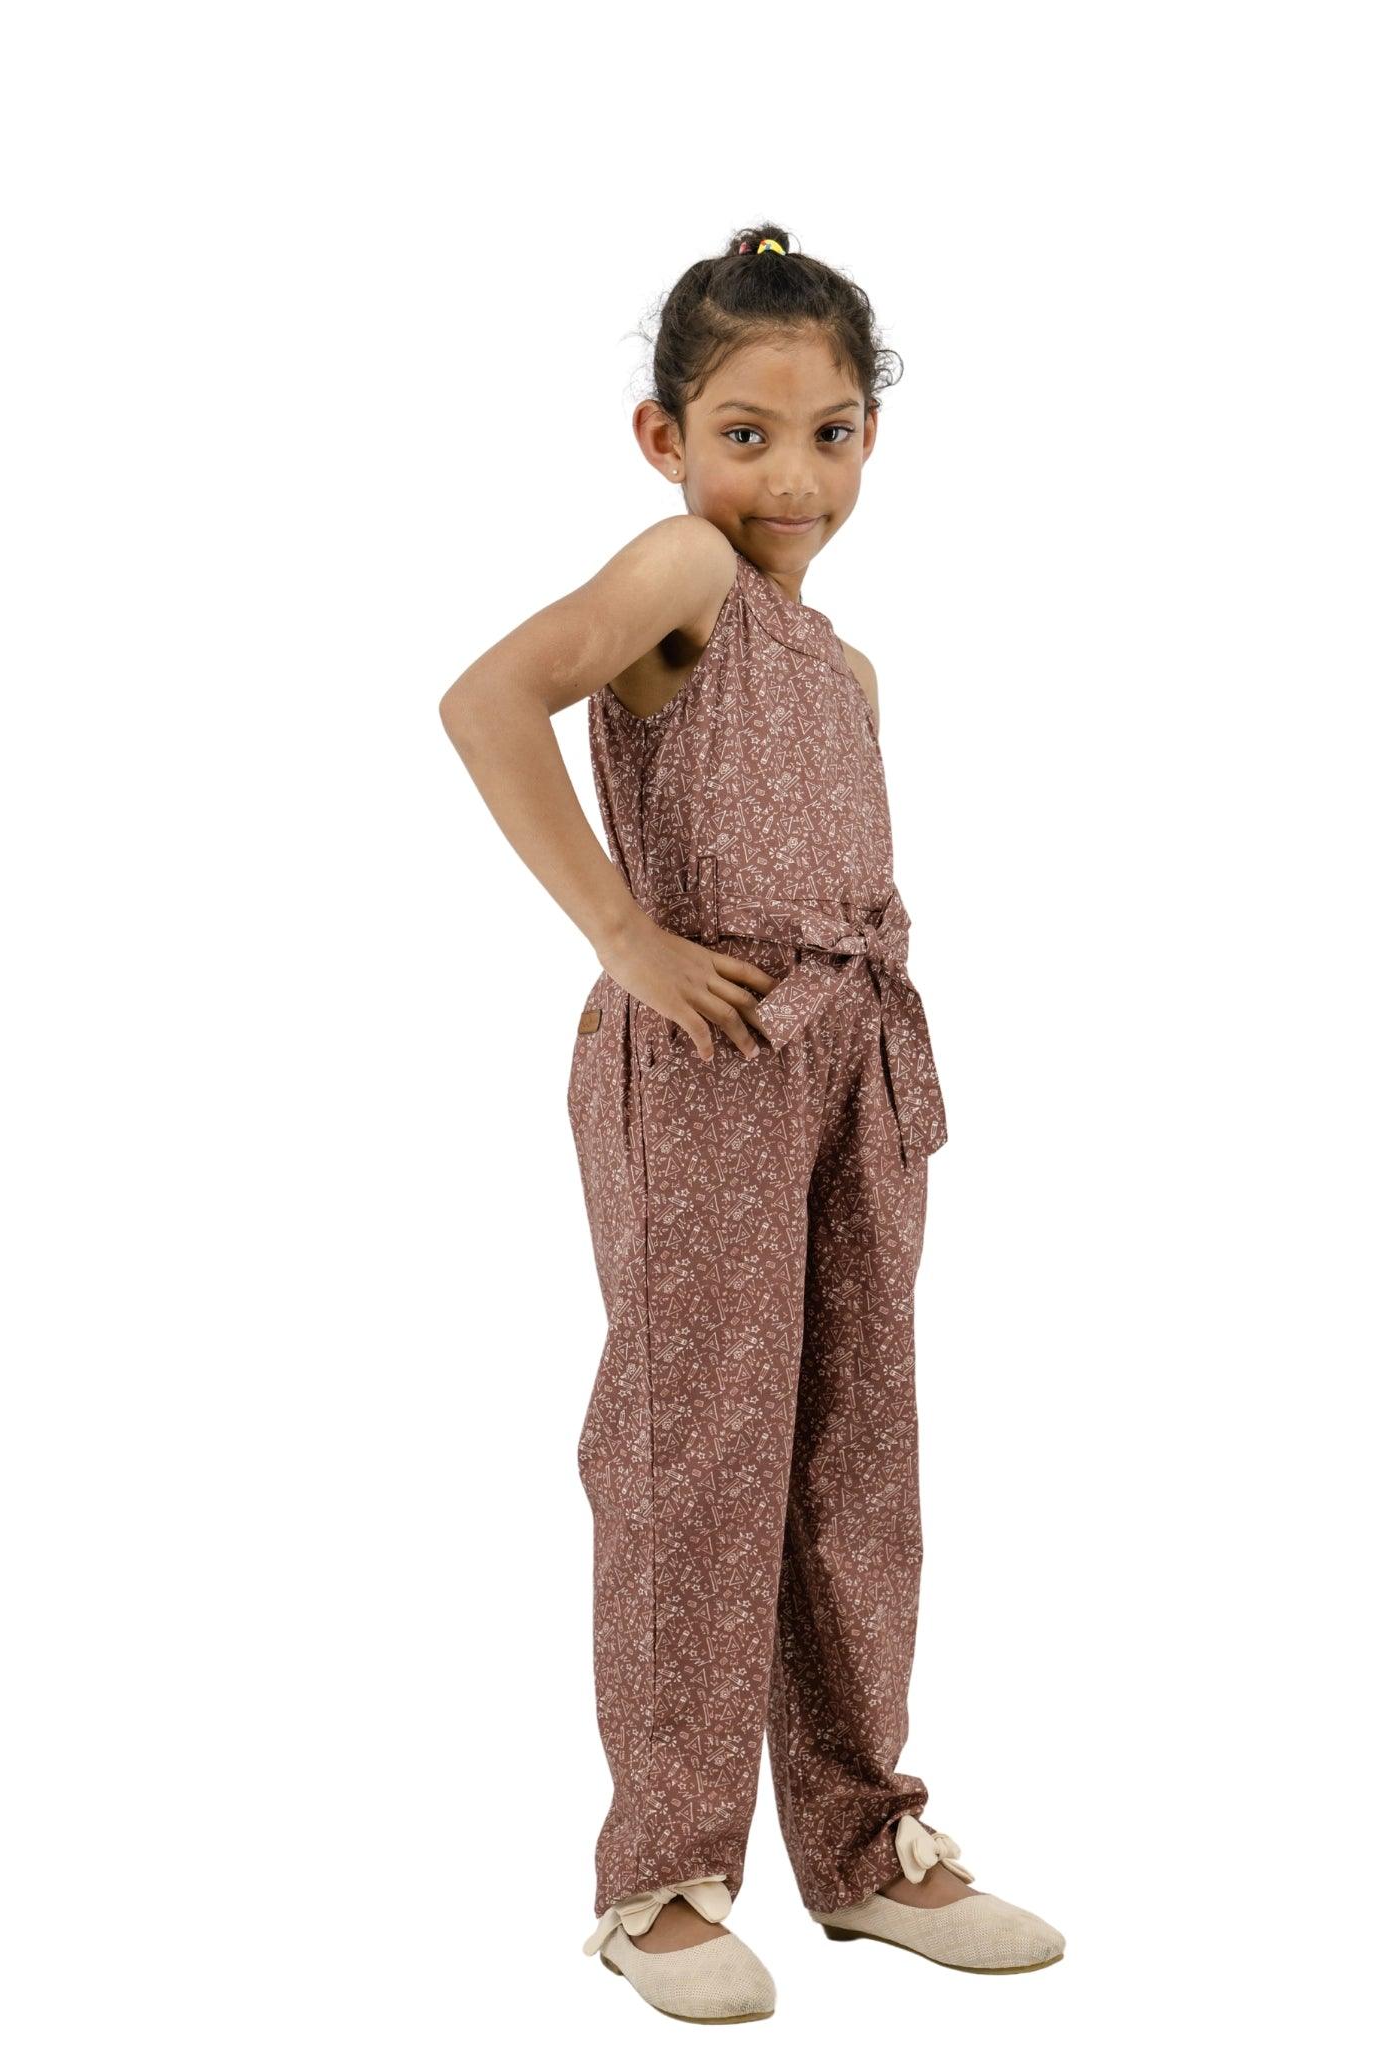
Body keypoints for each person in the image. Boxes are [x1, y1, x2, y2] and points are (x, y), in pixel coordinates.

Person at [439, 223, 1065, 2024]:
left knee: (856, 1446)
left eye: (833, 434)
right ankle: (663, 1876)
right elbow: (491, 701)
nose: (790, 474)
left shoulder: (843, 664)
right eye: (745, 430)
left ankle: (864, 1848)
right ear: (665, 437)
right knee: (695, 1444)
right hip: (706, 1057)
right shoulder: (673, 569)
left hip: (853, 1054)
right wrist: (624, 934)